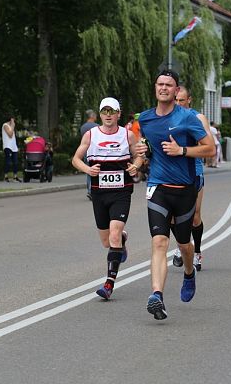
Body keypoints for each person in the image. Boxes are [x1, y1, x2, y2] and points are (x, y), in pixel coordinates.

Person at [139, 70, 215, 320]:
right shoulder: (146, 119)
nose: (163, 88)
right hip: (158, 187)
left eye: (168, 85)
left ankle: (189, 272)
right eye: (159, 84)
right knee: (159, 242)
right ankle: (157, 296)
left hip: (184, 189)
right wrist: (144, 150)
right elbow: (150, 148)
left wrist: (182, 150)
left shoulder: (187, 118)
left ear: (175, 90)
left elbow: (210, 149)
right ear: (155, 87)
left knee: (184, 244)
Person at [72, 97, 145, 300]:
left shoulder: (128, 135)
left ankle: (109, 284)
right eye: (104, 111)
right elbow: (75, 159)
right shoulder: (90, 135)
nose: (108, 115)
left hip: (121, 192)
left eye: (112, 111)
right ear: (100, 114)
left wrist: (136, 165)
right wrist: (88, 169)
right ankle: (121, 240)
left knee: (113, 234)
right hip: (99, 192)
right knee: (107, 241)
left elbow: (139, 155)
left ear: (118, 114)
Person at [172, 85, 214, 271]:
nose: (179, 104)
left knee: (194, 216)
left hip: (193, 170)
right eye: (176, 100)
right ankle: (183, 246)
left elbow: (208, 145)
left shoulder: (198, 118)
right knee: (174, 217)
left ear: (189, 100)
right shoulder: (168, 117)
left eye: (182, 100)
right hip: (172, 171)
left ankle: (196, 252)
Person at [80, 110, 99, 199]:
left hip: (85, 151)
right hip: (95, 152)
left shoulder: (83, 127)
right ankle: (94, 190)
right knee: (96, 171)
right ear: (92, 116)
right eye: (95, 115)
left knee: (88, 171)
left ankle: (89, 189)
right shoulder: (97, 127)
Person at [2, 117, 21, 182]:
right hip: (7, 146)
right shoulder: (5, 125)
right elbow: (10, 134)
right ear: (11, 119)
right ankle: (6, 176)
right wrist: (12, 126)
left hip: (14, 147)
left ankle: (15, 176)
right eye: (13, 120)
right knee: (8, 162)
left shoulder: (11, 127)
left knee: (15, 162)